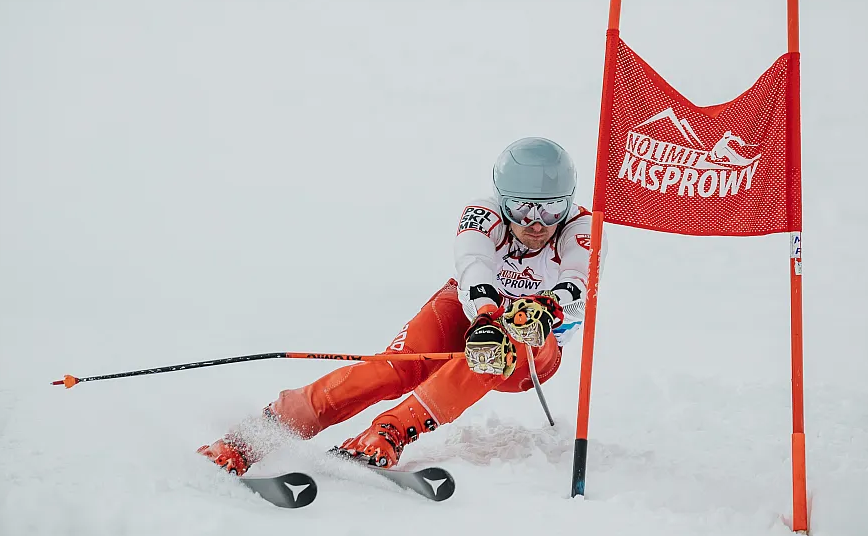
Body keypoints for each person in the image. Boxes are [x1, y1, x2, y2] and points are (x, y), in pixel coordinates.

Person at [198, 137, 608, 472]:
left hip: (533, 350)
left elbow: (579, 284)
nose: (537, 222)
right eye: (523, 206)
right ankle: (257, 435)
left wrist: (545, 307)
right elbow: (474, 267)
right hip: (474, 311)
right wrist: (485, 314)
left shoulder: (584, 227)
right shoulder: (482, 215)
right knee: (394, 368)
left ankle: (389, 433)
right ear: (502, 200)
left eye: (552, 207)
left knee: (502, 343)